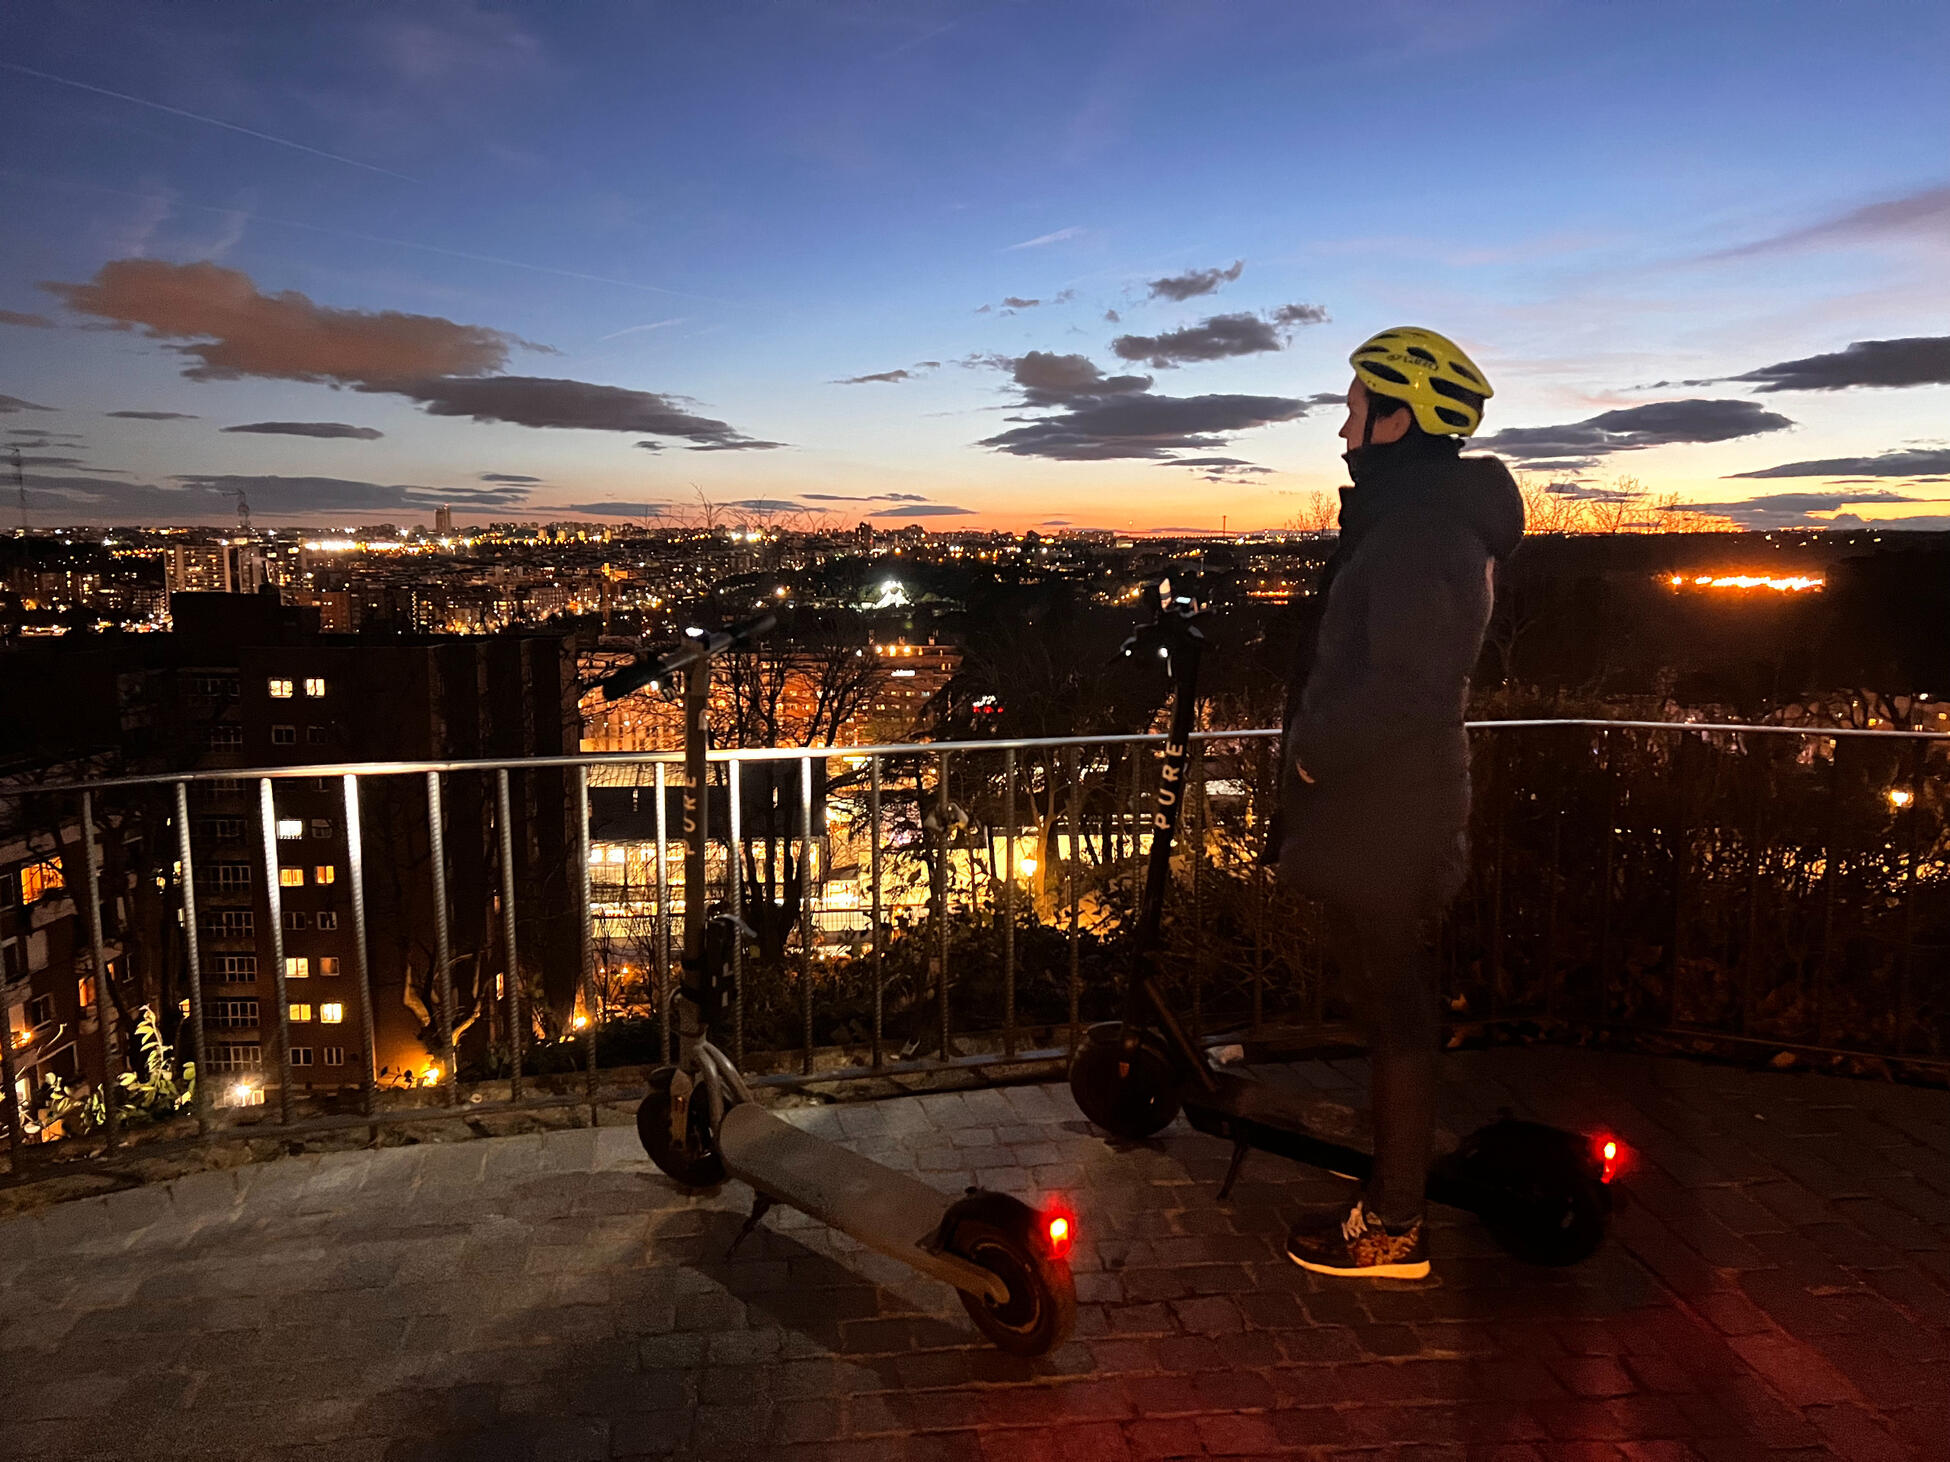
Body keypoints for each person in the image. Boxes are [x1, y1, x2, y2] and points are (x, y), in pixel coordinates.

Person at [1278, 327, 1524, 1280]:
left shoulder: (1423, 532)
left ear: (1400, 418)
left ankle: (1393, 1225)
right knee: (1392, 1003)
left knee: (1399, 1009)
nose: (1341, 428)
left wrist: (1309, 760)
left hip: (1388, 812)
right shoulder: (1417, 518)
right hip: (1381, 808)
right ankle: (1394, 1163)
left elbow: (1407, 688)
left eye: (1354, 408)